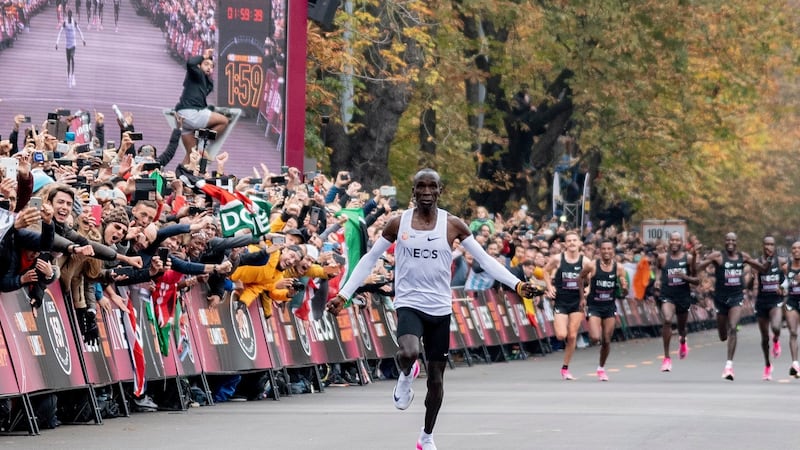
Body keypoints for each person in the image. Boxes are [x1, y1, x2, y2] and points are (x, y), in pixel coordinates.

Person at [326, 168, 539, 450]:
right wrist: (344, 294)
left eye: (432, 187)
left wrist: (518, 285)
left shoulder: (453, 225)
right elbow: (369, 259)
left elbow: (486, 260)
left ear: (440, 191)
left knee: (437, 380)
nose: (426, 192)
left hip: (439, 307)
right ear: (413, 191)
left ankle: (426, 435)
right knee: (409, 352)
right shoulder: (396, 223)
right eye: (421, 187)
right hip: (409, 302)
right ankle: (406, 374)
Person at [697, 232, 767, 380]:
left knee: (733, 328)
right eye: (727, 240)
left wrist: (765, 264)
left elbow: (762, 268)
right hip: (720, 299)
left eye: (733, 240)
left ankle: (729, 366)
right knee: (723, 336)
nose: (730, 242)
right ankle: (724, 335)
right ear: (724, 241)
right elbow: (698, 268)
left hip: (736, 297)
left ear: (736, 242)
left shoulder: (743, 257)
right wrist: (697, 258)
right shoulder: (718, 256)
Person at [544, 230, 591, 380]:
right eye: (569, 240)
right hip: (561, 300)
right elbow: (545, 271)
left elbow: (591, 280)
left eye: (574, 240)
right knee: (561, 335)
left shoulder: (585, 262)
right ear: (564, 244)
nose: (571, 243)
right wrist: (550, 287)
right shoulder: (558, 259)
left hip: (577, 301)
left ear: (579, 243)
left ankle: (565, 368)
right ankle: (561, 329)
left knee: (571, 335)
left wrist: (588, 290)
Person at [174, 48, 229, 165]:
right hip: (190, 113)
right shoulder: (196, 74)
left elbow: (205, 91)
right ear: (199, 66)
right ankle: (203, 143)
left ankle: (180, 178)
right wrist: (204, 56)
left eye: (212, 66)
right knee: (223, 121)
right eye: (206, 64)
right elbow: (190, 63)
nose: (210, 67)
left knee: (190, 156)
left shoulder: (206, 81)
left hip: (183, 119)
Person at [654, 232, 699, 372]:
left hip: (683, 297)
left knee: (682, 328)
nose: (674, 242)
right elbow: (658, 270)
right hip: (667, 295)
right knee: (667, 320)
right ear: (669, 242)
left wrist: (684, 277)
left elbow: (696, 280)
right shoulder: (662, 258)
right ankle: (667, 358)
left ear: (681, 242)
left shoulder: (689, 258)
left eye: (677, 240)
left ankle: (683, 341)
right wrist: (657, 280)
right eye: (672, 240)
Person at [585, 239, 627, 381]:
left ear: (613, 251)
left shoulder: (619, 268)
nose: (607, 251)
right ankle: (595, 340)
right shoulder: (592, 266)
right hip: (594, 306)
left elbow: (624, 292)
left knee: (607, 340)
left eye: (609, 249)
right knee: (595, 337)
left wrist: (624, 288)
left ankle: (601, 368)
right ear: (600, 251)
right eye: (604, 249)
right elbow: (581, 278)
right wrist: (583, 293)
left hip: (609, 307)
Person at [754, 235, 785, 381]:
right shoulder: (757, 263)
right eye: (766, 244)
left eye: (771, 244)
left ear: (775, 246)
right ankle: (767, 366)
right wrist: (751, 280)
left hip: (775, 301)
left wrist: (783, 288)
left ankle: (776, 339)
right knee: (764, 337)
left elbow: (789, 280)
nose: (769, 247)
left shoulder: (781, 262)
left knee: (776, 327)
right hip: (761, 302)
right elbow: (750, 283)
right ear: (763, 246)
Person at [55, 10, 85, 88]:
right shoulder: (65, 23)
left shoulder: (73, 22)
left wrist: (83, 40)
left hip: (73, 44)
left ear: (71, 15)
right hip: (67, 45)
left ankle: (73, 75)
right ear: (67, 15)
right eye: (68, 14)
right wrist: (57, 43)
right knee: (68, 63)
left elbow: (79, 30)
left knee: (72, 58)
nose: (69, 16)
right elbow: (60, 32)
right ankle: (68, 78)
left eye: (70, 14)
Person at [783, 241, 800, 378]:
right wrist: (781, 288)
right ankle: (795, 363)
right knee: (793, 332)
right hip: (792, 302)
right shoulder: (786, 267)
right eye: (794, 248)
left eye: (799, 248)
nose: (796, 250)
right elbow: (782, 284)